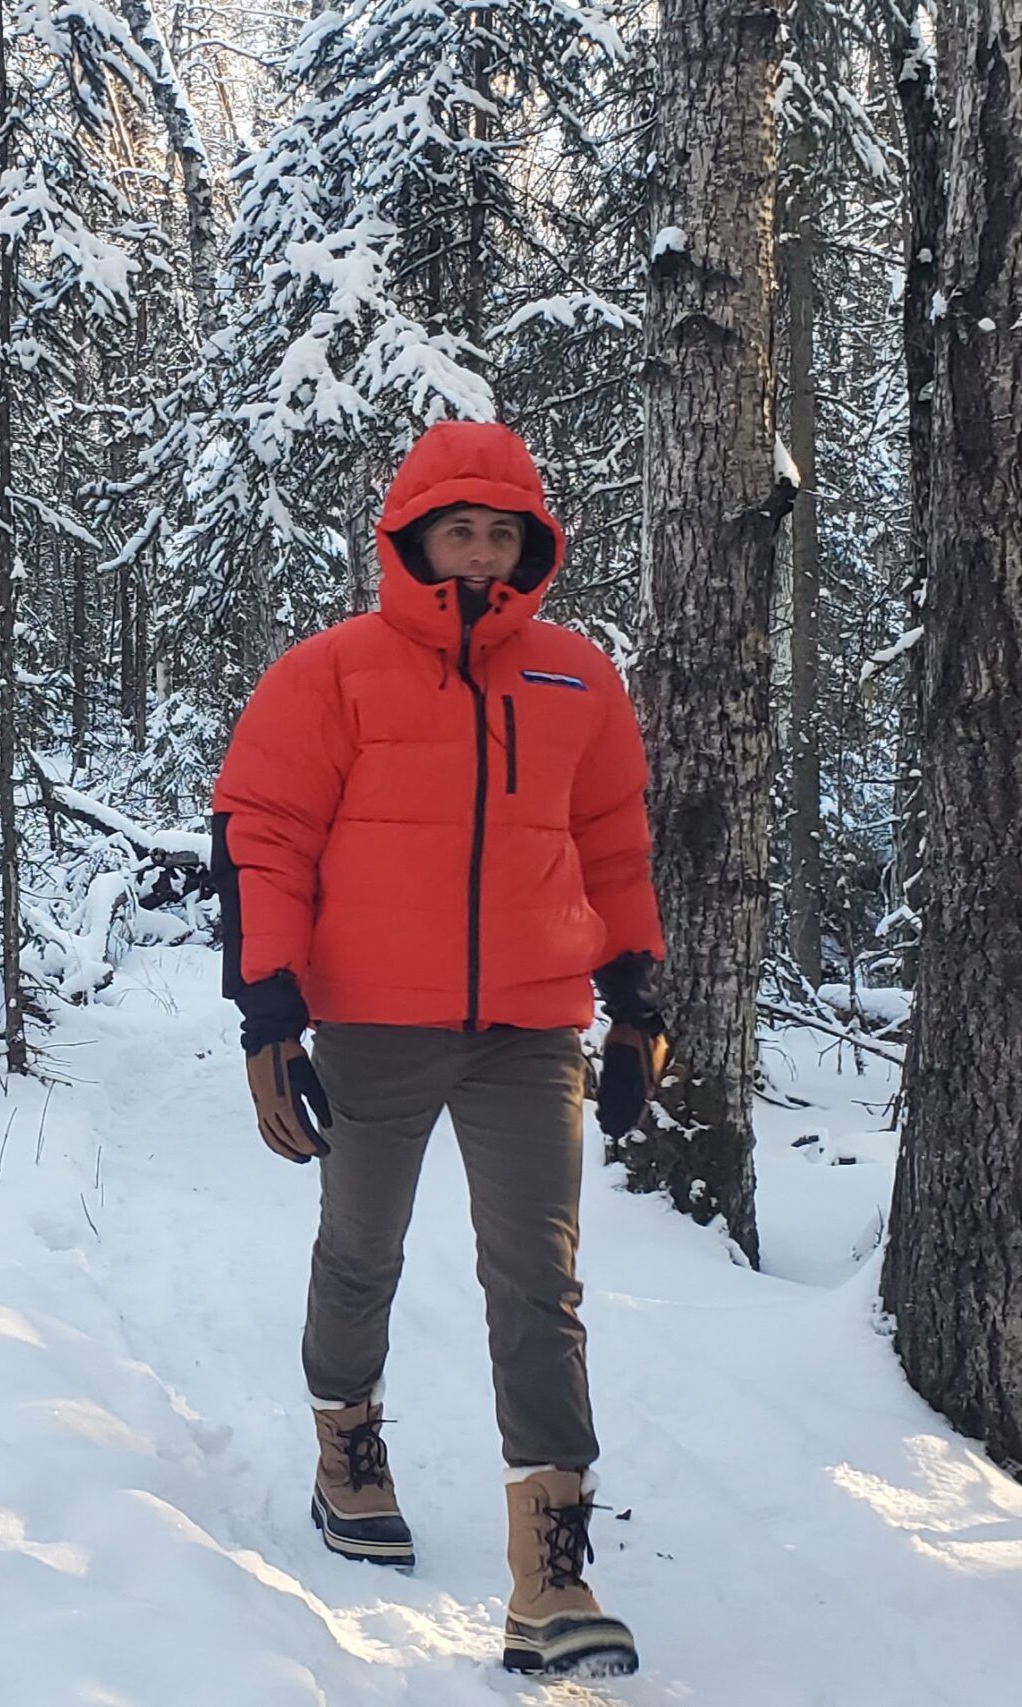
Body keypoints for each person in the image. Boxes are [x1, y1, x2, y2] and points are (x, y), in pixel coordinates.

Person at [207, 420, 672, 1679]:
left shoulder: (579, 678)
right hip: (372, 1021)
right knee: (363, 1250)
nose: (479, 556)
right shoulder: (330, 674)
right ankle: (346, 1447)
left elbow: (615, 848)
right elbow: (263, 841)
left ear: (533, 548)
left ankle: (552, 1571)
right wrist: (269, 1015)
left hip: (532, 1027)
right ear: (410, 542)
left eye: (501, 533)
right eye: (457, 532)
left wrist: (634, 1002)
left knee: (539, 1282)